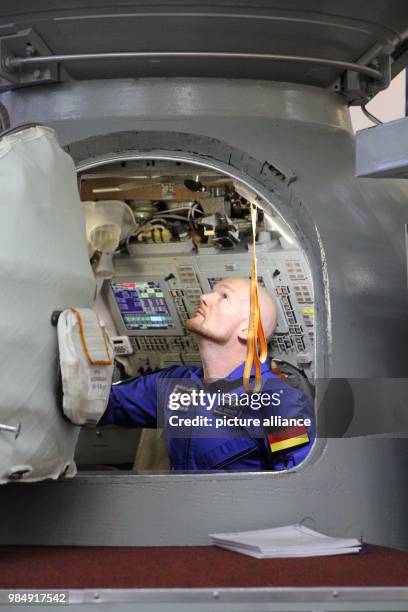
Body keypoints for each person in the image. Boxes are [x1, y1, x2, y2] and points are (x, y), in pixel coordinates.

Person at [98, 277, 314, 471]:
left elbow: (298, 482)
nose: (204, 297)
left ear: (247, 330)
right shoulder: (175, 384)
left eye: (224, 296)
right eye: (212, 291)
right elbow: (100, 402)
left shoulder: (279, 403)